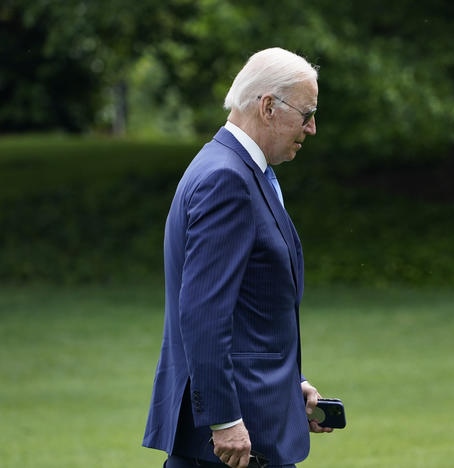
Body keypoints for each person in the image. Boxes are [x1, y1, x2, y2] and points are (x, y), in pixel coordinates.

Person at [143, 47, 332, 468]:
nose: (313, 128)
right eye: (306, 114)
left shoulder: (238, 169)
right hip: (235, 444)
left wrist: (291, 383)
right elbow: (203, 312)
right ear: (268, 107)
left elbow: (252, 305)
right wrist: (224, 419)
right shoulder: (226, 179)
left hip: (255, 424)